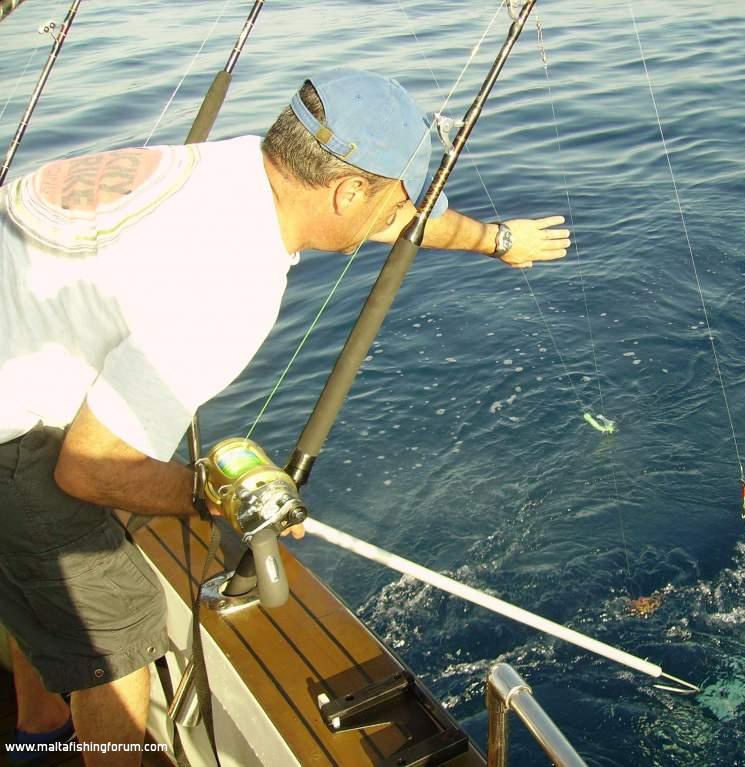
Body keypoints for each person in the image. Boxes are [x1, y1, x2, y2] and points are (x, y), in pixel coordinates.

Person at [0, 67, 570, 765]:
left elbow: (403, 219)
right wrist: (223, 499)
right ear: (349, 190)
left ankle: (33, 730)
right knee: (119, 630)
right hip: (14, 432)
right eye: (394, 202)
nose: (397, 219)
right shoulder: (231, 281)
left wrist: (497, 240)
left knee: (47, 580)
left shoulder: (229, 167)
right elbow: (88, 467)